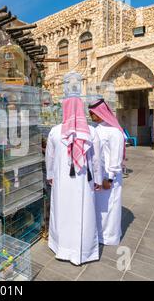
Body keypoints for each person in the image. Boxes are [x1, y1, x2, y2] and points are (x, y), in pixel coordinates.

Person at [45, 97, 102, 265]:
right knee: (83, 212)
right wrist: (98, 179)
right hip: (84, 180)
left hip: (62, 181)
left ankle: (62, 247)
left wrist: (50, 176)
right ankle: (84, 250)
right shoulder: (91, 131)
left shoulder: (55, 131)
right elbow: (97, 160)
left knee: (63, 211)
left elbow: (49, 157)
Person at [88, 99, 126, 246]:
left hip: (110, 178)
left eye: (93, 113)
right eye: (90, 113)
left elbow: (115, 158)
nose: (91, 115)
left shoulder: (115, 132)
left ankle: (109, 237)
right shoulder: (97, 129)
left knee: (110, 207)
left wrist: (109, 179)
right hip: (98, 177)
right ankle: (99, 234)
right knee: (99, 207)